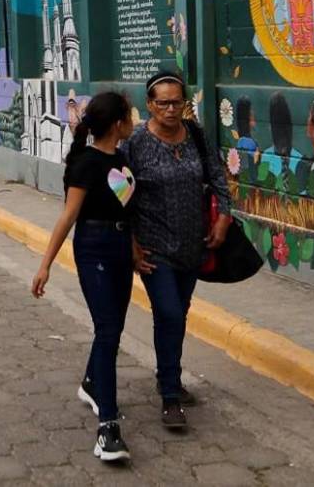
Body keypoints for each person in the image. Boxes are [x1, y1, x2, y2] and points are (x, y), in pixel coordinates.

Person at [32, 91, 136, 462]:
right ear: (118, 123)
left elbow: (125, 209)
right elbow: (68, 216)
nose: (134, 120)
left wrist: (134, 250)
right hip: (94, 248)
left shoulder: (121, 159)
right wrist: (45, 265)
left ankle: (92, 383)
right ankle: (108, 427)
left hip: (121, 248)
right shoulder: (87, 163)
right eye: (130, 115)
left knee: (114, 328)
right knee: (107, 330)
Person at [125, 71, 232, 429]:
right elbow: (118, 193)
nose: (171, 109)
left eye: (177, 102)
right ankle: (170, 395)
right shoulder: (135, 143)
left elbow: (217, 177)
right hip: (154, 247)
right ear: (149, 105)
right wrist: (131, 242)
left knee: (179, 313)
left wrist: (224, 217)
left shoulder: (195, 135)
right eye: (163, 103)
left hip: (193, 244)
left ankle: (166, 375)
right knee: (169, 313)